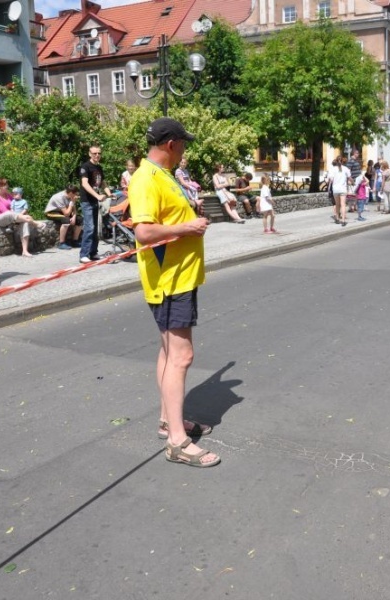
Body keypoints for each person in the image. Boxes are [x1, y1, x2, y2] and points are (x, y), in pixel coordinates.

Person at [127, 116, 219, 468]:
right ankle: (178, 443)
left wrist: (187, 220)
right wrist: (189, 226)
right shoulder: (146, 178)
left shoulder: (163, 175)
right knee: (182, 357)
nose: (185, 148)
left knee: (169, 353)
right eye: (183, 143)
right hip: (169, 282)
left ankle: (171, 422)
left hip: (178, 278)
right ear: (171, 144)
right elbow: (144, 233)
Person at [0, 178, 45, 258]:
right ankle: (35, 223)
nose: (7, 186)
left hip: (12, 217)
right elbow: (4, 210)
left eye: (7, 184)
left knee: (25, 222)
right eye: (5, 185)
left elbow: (16, 205)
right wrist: (20, 215)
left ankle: (25, 251)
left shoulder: (8, 195)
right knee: (9, 213)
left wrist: (23, 213)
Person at [79, 145, 107, 263]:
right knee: (89, 227)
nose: (97, 155)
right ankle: (83, 254)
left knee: (95, 228)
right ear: (90, 154)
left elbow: (103, 183)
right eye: (94, 153)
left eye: (99, 153)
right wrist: (97, 196)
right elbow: (85, 184)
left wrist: (110, 194)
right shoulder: (85, 167)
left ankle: (93, 252)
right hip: (87, 201)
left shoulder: (99, 168)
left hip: (95, 201)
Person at [45, 185, 82, 250]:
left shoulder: (71, 196)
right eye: (75, 194)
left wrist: (74, 216)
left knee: (80, 219)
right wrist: (72, 202)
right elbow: (67, 213)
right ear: (71, 193)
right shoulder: (59, 197)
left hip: (62, 211)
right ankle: (61, 243)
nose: (76, 196)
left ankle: (75, 241)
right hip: (52, 212)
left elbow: (73, 209)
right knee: (66, 220)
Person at [328, 156, 351, 226]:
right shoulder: (346, 169)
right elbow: (349, 177)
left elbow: (331, 180)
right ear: (342, 161)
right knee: (343, 205)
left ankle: (337, 219)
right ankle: (343, 220)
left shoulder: (332, 169)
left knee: (337, 204)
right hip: (343, 189)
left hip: (335, 189)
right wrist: (352, 182)